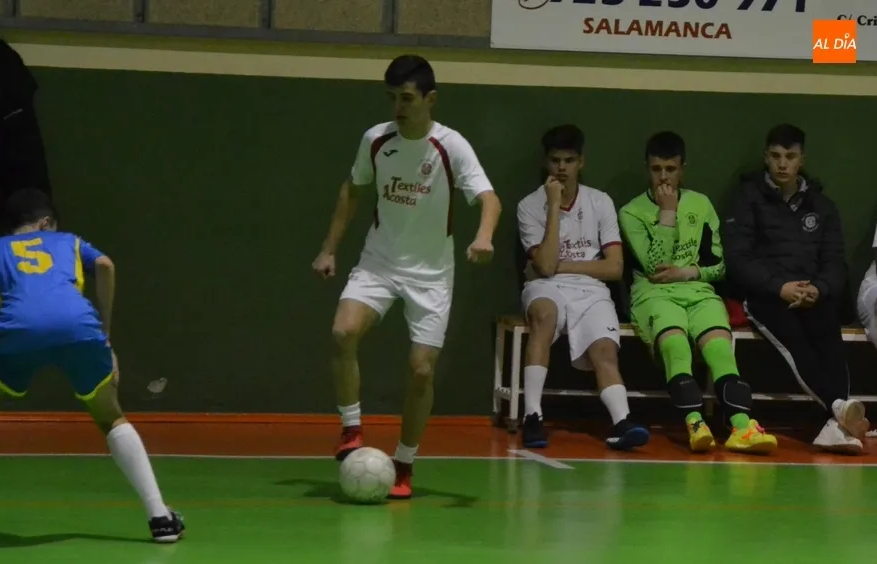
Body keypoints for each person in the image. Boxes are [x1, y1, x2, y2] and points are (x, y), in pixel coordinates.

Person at [0, 188, 185, 542]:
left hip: (17, 331)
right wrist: (105, 335)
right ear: (46, 222)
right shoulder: (70, 241)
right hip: (79, 328)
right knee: (110, 417)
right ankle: (161, 519)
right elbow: (106, 265)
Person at [311, 55, 501, 499]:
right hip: (378, 262)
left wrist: (484, 237)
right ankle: (351, 428)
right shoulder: (376, 140)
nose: (398, 107)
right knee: (342, 332)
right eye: (392, 97)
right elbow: (353, 189)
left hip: (431, 276)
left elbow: (489, 199)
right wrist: (329, 248)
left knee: (420, 371)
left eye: (407, 98)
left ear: (430, 99)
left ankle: (405, 463)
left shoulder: (451, 145)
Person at [618, 131, 777, 454]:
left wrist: (688, 272)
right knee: (676, 345)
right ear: (647, 169)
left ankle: (742, 427)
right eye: (656, 169)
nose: (664, 177)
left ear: (683, 169)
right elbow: (655, 267)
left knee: (719, 349)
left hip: (698, 291)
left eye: (671, 169)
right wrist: (667, 213)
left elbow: (718, 265)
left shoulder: (701, 205)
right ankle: (695, 423)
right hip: (654, 294)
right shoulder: (632, 212)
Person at [723, 123, 867, 454]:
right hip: (766, 296)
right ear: (766, 157)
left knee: (827, 327)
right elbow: (738, 259)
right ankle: (839, 410)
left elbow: (834, 262)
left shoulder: (823, 206)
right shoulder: (747, 199)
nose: (782, 164)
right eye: (775, 156)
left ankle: (835, 424)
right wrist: (780, 287)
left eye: (790, 156)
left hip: (811, 295)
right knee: (794, 338)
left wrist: (818, 289)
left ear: (801, 159)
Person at [516, 124, 649, 451]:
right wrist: (553, 206)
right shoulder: (529, 206)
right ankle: (532, 416)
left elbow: (614, 268)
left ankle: (622, 422)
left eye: (569, 160)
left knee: (604, 349)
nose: (562, 168)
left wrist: (559, 265)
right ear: (546, 163)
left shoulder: (600, 202)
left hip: (592, 291)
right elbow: (545, 269)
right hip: (546, 287)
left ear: (581, 162)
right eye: (555, 160)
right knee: (544, 316)